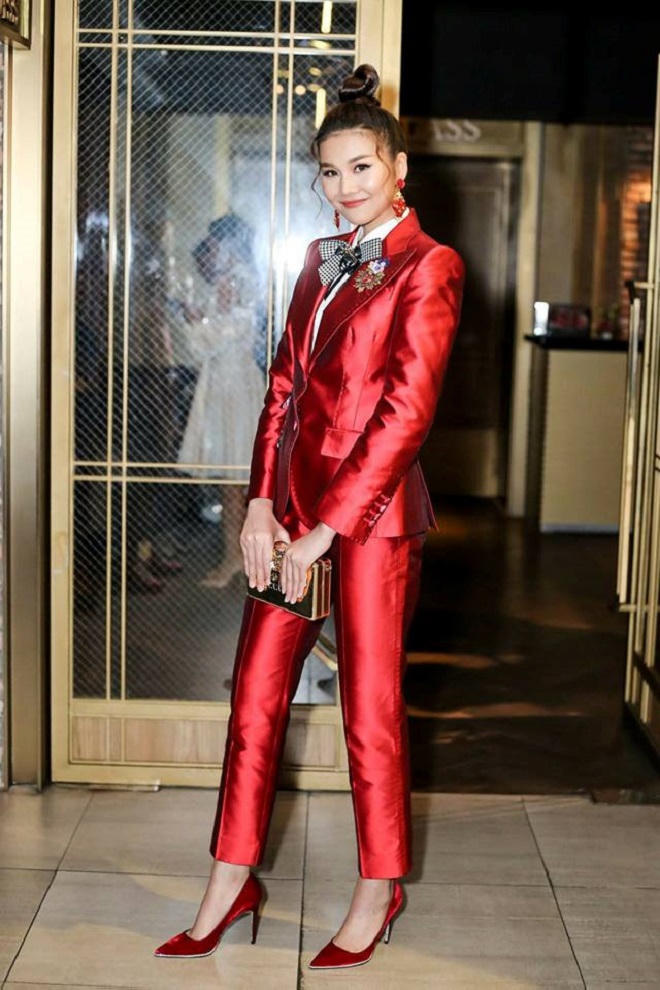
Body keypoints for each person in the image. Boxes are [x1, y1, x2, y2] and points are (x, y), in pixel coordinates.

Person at [154, 63, 465, 970]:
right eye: (330, 172)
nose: (345, 186)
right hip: (287, 518)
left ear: (398, 168)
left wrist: (328, 526)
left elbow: (405, 414)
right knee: (254, 699)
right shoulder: (321, 259)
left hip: (369, 523)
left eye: (362, 168)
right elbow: (283, 386)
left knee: (370, 710)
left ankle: (379, 887)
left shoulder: (430, 265)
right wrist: (260, 503)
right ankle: (231, 877)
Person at [176, 215, 266, 588]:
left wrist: (195, 322)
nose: (211, 249)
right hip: (226, 382)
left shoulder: (237, 279)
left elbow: (221, 335)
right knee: (233, 481)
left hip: (233, 387)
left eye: (214, 242)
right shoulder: (233, 280)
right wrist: (201, 321)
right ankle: (237, 556)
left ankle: (238, 557)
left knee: (235, 479)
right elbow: (215, 335)